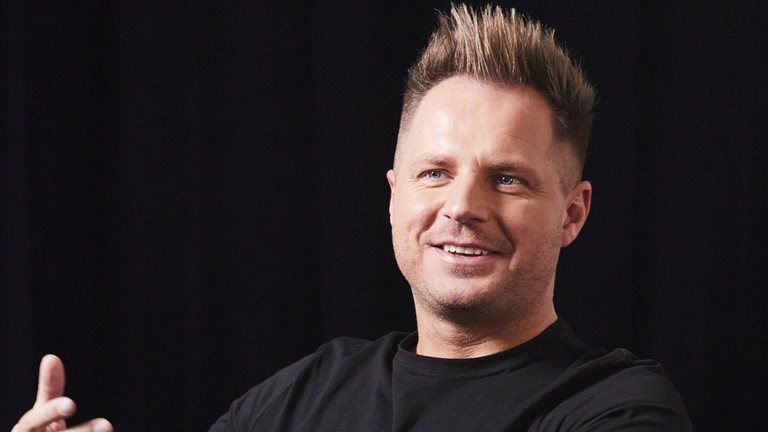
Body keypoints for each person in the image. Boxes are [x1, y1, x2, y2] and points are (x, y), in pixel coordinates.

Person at [13, 4, 692, 431]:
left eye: (507, 179)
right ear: (395, 197)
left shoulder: (616, 409)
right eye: (436, 172)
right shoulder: (299, 398)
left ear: (572, 213)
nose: (461, 206)